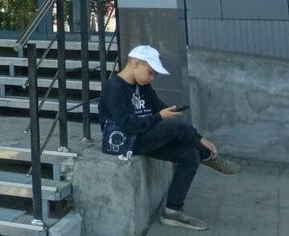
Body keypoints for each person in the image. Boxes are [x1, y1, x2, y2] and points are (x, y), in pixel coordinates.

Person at [98, 44, 240, 231]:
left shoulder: (143, 86)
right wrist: (160, 117)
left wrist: (198, 137)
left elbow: (161, 108)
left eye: (155, 74)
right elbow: (127, 125)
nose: (152, 78)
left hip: (143, 137)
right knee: (175, 126)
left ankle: (172, 211)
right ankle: (208, 157)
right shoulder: (114, 87)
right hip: (125, 142)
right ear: (136, 63)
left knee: (190, 154)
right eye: (151, 72)